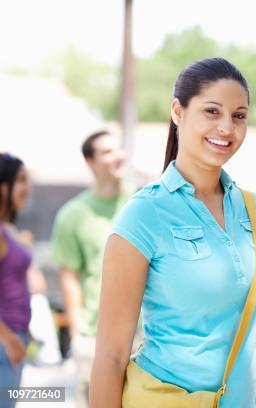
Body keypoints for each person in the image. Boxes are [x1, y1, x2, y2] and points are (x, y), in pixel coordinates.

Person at [90, 57, 256, 408]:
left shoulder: (253, 210)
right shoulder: (144, 214)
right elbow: (111, 357)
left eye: (239, 116)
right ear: (178, 112)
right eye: (212, 111)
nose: (227, 127)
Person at [50, 130, 131, 406]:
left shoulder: (142, 205)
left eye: (119, 149)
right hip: (94, 336)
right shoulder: (73, 215)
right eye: (108, 152)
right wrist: (78, 335)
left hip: (143, 336)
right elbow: (69, 277)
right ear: (90, 162)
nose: (118, 156)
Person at [0, 153, 33, 408]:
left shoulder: (7, 228)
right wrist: (9, 339)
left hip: (14, 337)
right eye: (21, 180)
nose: (27, 188)